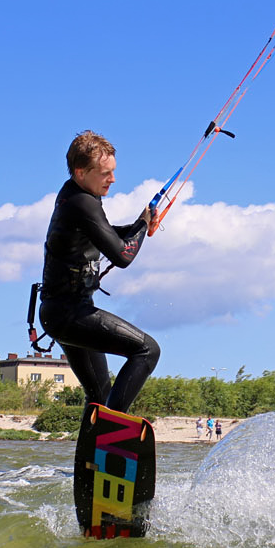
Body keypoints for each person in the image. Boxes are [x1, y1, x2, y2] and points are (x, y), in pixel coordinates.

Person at [38, 131, 161, 414]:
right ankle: (110, 432)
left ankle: (90, 458)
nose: (113, 179)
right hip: (69, 315)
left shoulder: (77, 196)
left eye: (113, 172)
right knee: (147, 351)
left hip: (62, 313)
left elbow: (107, 235)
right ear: (81, 172)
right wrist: (142, 229)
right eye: (105, 173)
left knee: (98, 395)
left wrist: (140, 224)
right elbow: (122, 256)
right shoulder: (83, 202)